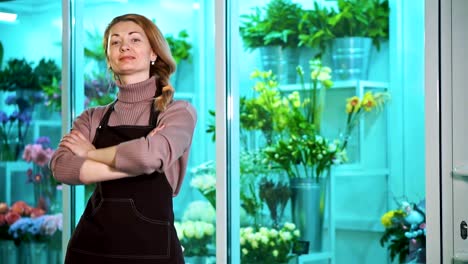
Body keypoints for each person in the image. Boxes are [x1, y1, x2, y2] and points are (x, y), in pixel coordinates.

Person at [50, 13, 197, 264]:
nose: (124, 46)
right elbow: (61, 167)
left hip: (153, 252)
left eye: (135, 40)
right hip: (90, 249)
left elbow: (150, 155)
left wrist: (90, 154)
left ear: (154, 54)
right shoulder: (92, 117)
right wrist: (136, 164)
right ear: (109, 59)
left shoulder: (177, 112)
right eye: (115, 42)